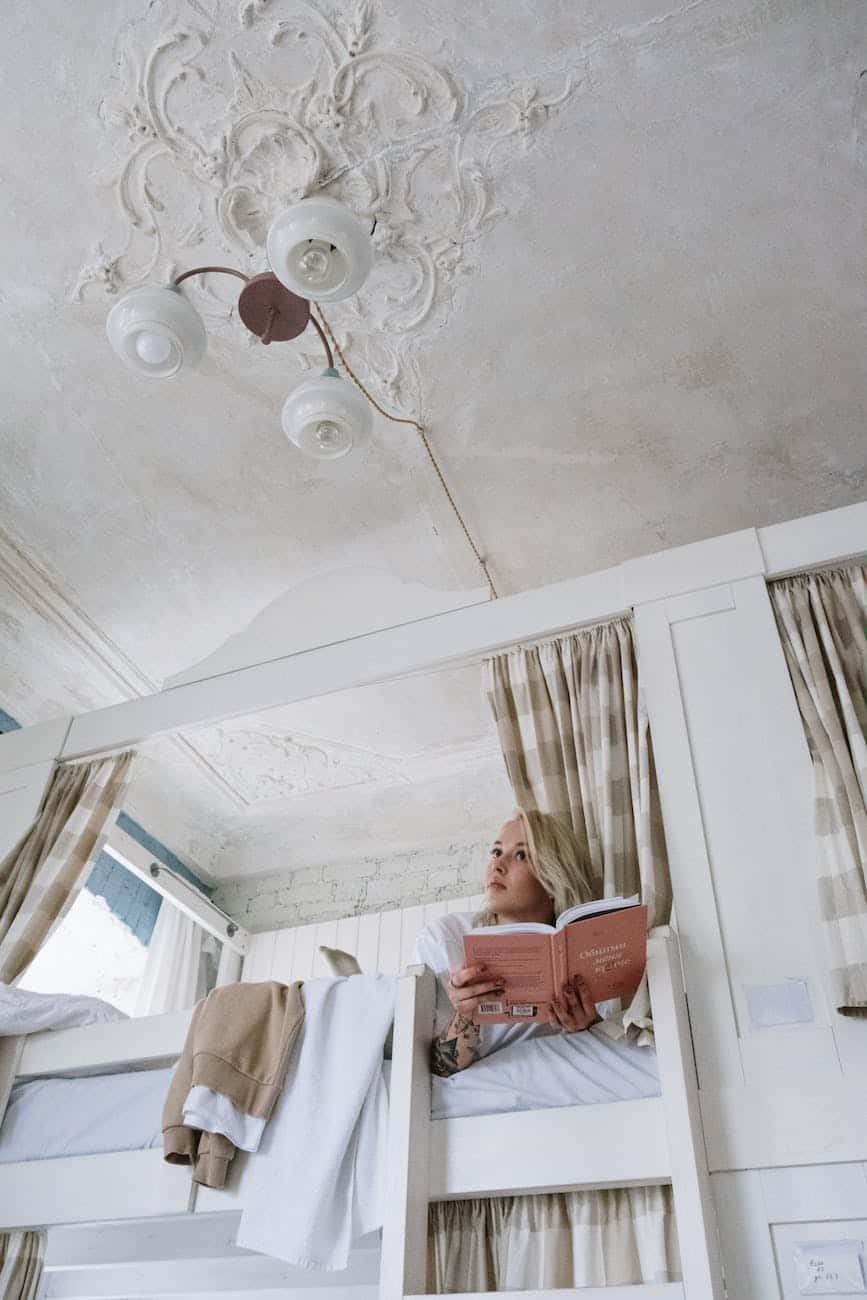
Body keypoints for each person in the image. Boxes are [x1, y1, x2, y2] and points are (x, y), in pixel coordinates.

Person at [414, 809, 601, 1077]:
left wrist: (586, 1025)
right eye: (496, 852)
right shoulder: (444, 939)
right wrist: (466, 1014)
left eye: (521, 855)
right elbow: (431, 1072)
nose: (497, 865)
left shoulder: (577, 953)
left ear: (552, 879)